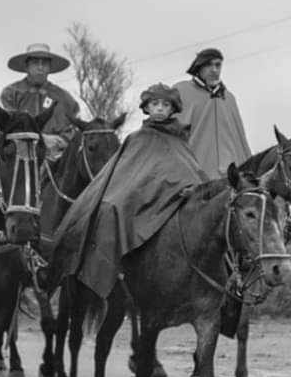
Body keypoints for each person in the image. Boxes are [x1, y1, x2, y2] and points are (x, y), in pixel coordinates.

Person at [53, 82, 206, 300]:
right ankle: (111, 270)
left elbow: (188, 170)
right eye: (155, 104)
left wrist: (189, 187)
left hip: (174, 196)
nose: (160, 108)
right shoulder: (136, 138)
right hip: (140, 195)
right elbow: (125, 173)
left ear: (173, 109)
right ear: (147, 108)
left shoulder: (180, 140)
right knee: (110, 209)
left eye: (165, 104)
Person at [173, 48, 251, 179]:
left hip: (231, 176)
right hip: (194, 174)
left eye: (218, 65)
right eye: (209, 65)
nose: (214, 70)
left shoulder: (229, 98)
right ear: (199, 67)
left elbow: (240, 138)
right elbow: (171, 135)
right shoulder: (181, 91)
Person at [0, 43, 81, 161]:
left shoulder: (64, 98)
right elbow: (6, 129)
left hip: (56, 161)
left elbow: (73, 133)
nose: (40, 67)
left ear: (50, 68)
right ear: (26, 66)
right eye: (35, 63)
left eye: (45, 63)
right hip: (19, 159)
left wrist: (58, 142)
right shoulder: (11, 94)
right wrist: (41, 139)